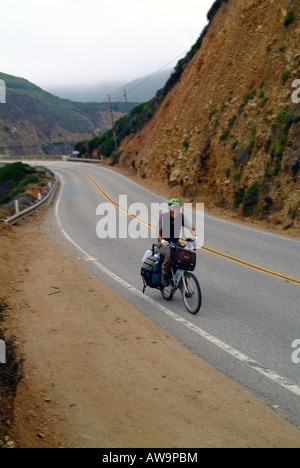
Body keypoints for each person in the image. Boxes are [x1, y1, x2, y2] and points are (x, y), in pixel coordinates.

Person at [156, 198, 196, 287]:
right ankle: (164, 274)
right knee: (170, 255)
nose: (176, 210)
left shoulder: (181, 217)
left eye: (178, 208)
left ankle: (182, 283)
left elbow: (190, 227)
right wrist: (162, 240)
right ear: (170, 209)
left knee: (185, 256)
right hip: (163, 243)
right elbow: (157, 232)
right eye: (174, 208)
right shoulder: (163, 217)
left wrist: (194, 236)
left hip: (175, 242)